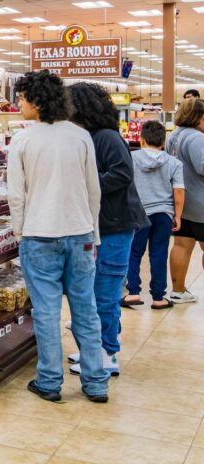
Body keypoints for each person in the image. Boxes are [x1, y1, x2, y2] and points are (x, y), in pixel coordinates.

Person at [7, 71, 109, 403]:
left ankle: (50, 382)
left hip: (38, 235)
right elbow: (94, 190)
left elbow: (16, 196)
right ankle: (96, 381)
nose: (18, 104)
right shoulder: (81, 137)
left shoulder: (23, 140)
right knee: (86, 308)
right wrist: (93, 232)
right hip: (79, 233)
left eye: (21, 98)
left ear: (37, 101)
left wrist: (20, 232)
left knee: (47, 312)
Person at [66, 82, 147, 377]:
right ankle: (94, 348)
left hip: (115, 226)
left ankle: (107, 353)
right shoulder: (86, 137)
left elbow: (123, 173)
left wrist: (86, 186)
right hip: (98, 226)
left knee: (106, 293)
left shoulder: (107, 137)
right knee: (91, 293)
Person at [126, 120, 184, 309]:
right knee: (159, 254)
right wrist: (178, 216)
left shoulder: (131, 158)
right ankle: (158, 298)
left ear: (142, 140)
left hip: (138, 213)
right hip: (164, 214)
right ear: (163, 141)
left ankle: (133, 293)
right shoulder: (174, 163)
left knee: (134, 253)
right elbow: (179, 192)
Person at [167, 98, 204, 303]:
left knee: (182, 244)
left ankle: (178, 291)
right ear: (198, 117)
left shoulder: (174, 136)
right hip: (201, 201)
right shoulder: (197, 138)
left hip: (182, 201)